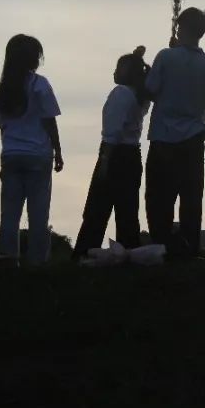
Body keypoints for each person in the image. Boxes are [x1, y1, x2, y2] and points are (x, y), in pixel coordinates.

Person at [144, 7, 205, 258]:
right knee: (191, 198)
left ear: (180, 27)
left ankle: (162, 247)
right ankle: (189, 249)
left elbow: (151, 89)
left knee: (158, 200)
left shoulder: (165, 57)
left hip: (164, 136)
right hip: (194, 137)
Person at [72, 47, 152, 259]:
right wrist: (137, 59)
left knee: (97, 209)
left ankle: (85, 253)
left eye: (118, 67)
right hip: (133, 154)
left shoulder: (121, 93)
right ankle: (130, 253)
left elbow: (111, 133)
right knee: (127, 211)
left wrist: (105, 160)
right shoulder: (140, 96)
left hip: (115, 153)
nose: (114, 72)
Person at [0, 35, 63, 266]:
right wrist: (58, 151)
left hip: (11, 153)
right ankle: (37, 261)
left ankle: (8, 257)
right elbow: (49, 120)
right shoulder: (40, 84)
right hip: (38, 154)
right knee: (38, 212)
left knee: (10, 213)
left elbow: (1, 122)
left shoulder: (3, 89)